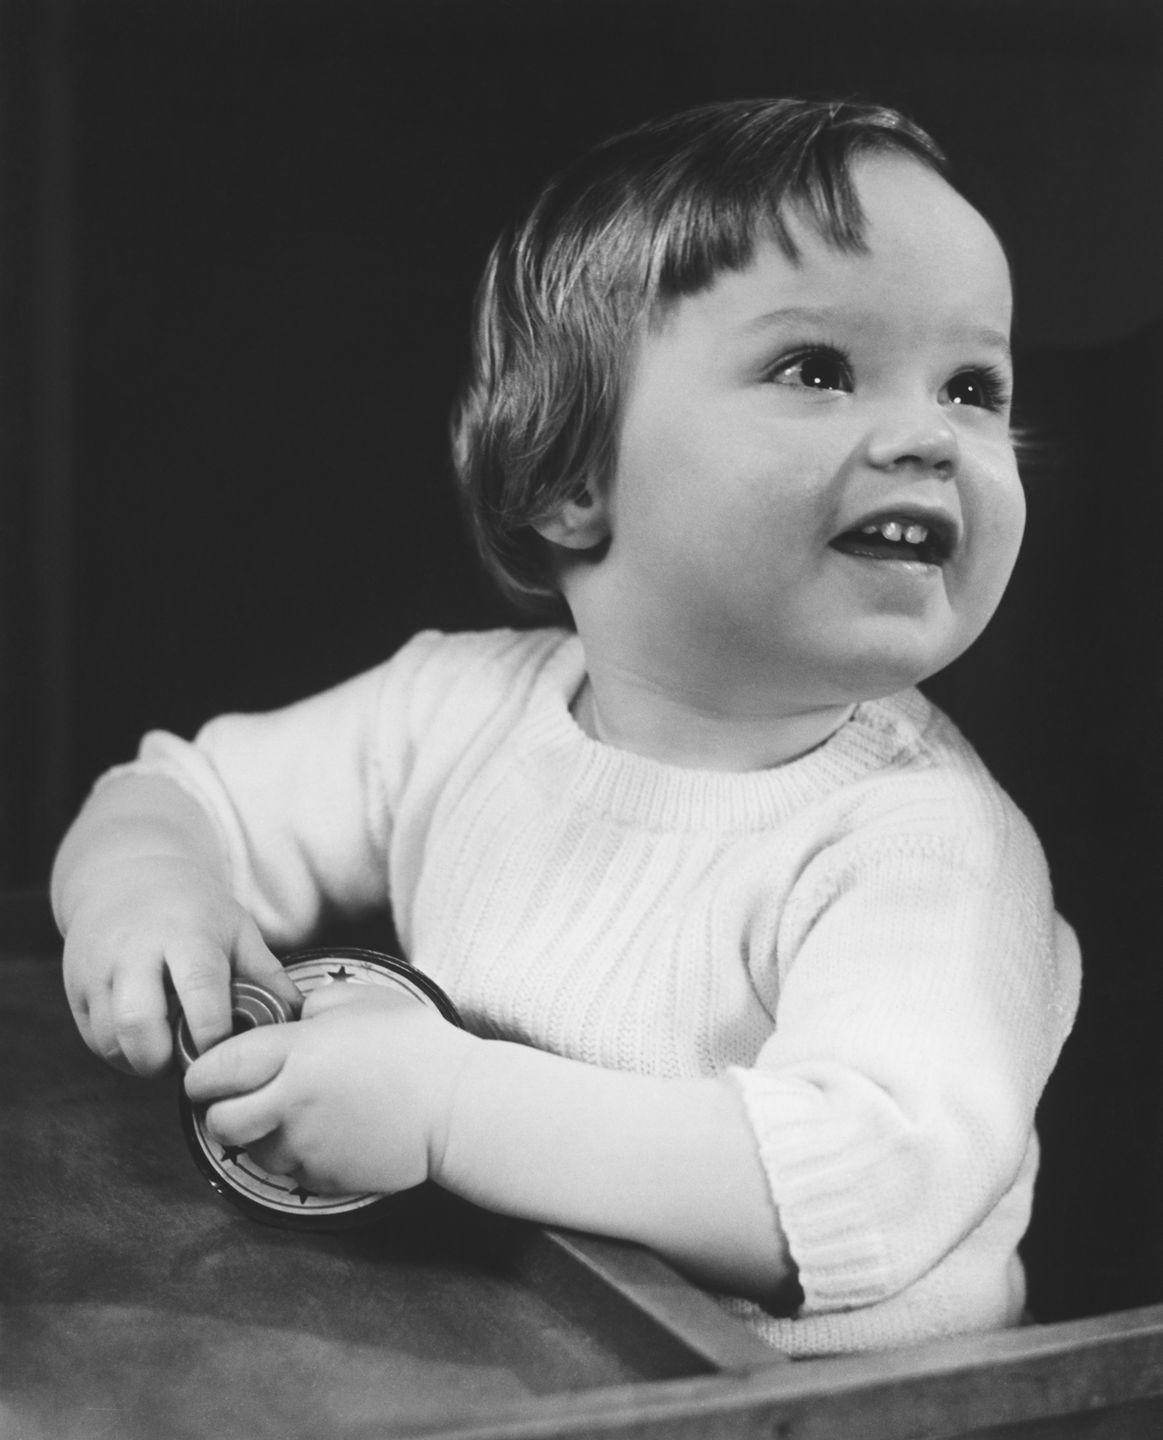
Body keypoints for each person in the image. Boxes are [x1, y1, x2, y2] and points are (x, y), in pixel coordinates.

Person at [51, 98, 1080, 1357]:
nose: (931, 435)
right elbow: (179, 796)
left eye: (973, 386)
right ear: (571, 473)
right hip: (524, 1348)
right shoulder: (458, 707)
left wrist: (450, 1109)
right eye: (816, 368)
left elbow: (859, 1188)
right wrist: (150, 896)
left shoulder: (924, 848)